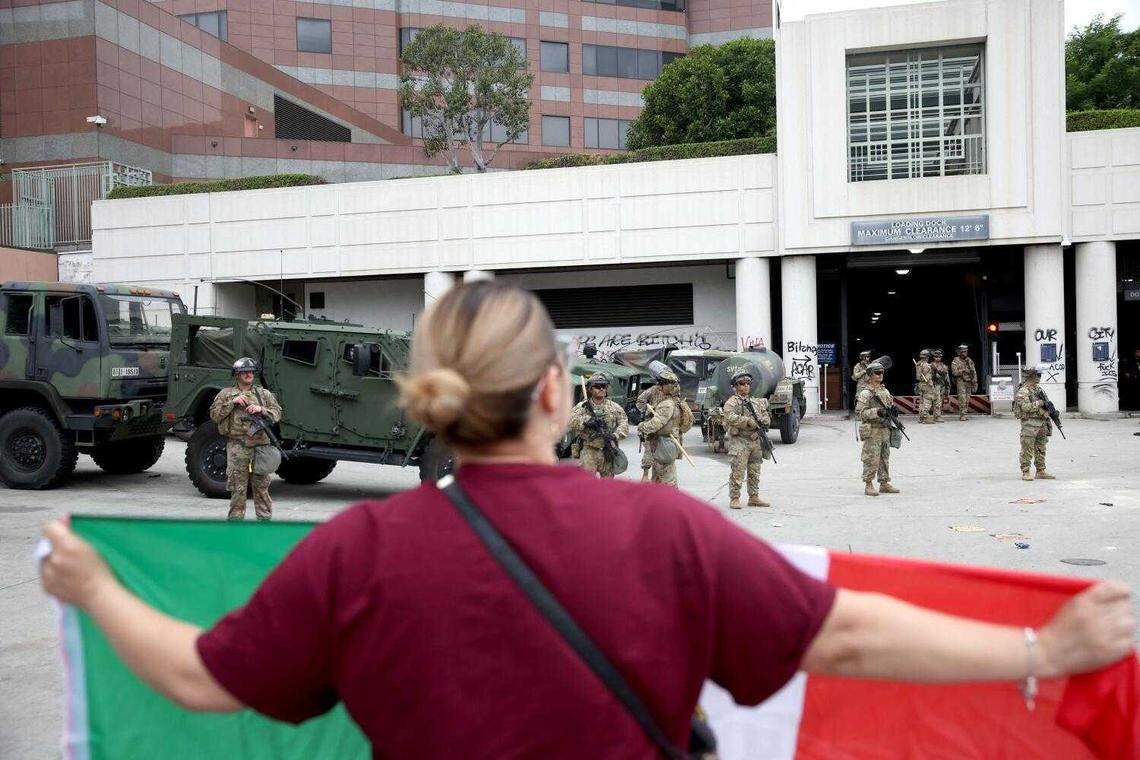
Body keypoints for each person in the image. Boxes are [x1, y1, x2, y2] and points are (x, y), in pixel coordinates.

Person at [40, 282, 1135, 759]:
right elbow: (844, 631)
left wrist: (93, 588)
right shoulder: (665, 534)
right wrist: (1043, 646)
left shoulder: (357, 552)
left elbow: (198, 677)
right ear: (558, 394)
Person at [208, 358, 283, 521]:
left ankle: (264, 524)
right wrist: (232, 403)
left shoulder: (263, 394)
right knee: (237, 488)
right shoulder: (226, 394)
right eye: (245, 372)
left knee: (261, 486)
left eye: (251, 371)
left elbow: (277, 413)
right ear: (237, 375)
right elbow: (214, 416)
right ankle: (236, 525)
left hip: (260, 447)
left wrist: (261, 409)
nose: (249, 374)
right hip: (237, 446)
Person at [722, 370, 771, 509]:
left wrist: (763, 420)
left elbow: (766, 417)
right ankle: (735, 498)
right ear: (735, 386)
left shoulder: (755, 402)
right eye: (742, 384)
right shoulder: (732, 402)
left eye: (748, 383)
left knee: (754, 471)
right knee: (738, 471)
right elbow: (729, 417)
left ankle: (754, 497)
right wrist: (747, 421)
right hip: (740, 441)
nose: (745, 386)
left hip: (755, 441)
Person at [637, 368, 693, 487]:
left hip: (663, 442)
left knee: (667, 476)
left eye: (663, 383)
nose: (660, 386)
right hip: (668, 441)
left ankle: (672, 503)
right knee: (658, 476)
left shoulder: (667, 404)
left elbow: (657, 422)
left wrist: (642, 427)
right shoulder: (675, 401)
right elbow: (641, 402)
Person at [567, 372, 629, 478]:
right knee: (587, 485)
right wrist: (586, 421)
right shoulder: (583, 406)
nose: (601, 389)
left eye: (604, 386)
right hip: (589, 451)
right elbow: (570, 420)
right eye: (597, 386)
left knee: (608, 485)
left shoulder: (614, 407)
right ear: (590, 389)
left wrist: (615, 435)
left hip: (608, 450)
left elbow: (624, 424)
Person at [854, 361, 901, 497]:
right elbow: (860, 413)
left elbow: (889, 407)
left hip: (885, 428)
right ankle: (868, 484)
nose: (880, 375)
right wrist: (876, 412)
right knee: (871, 458)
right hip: (873, 430)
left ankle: (884, 483)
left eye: (882, 372)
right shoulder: (865, 393)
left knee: (884, 457)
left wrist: (893, 411)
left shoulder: (885, 391)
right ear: (870, 375)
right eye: (877, 373)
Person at [1013, 364, 1056, 482]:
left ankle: (1041, 470)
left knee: (1041, 447)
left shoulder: (1038, 389)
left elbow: (1046, 403)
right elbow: (1025, 407)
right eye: (1038, 375)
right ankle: (1026, 471)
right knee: (1027, 448)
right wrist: (1039, 404)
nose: (1039, 377)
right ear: (1031, 376)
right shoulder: (1023, 390)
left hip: (1041, 422)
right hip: (1030, 424)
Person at [634, 383, 666, 482]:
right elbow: (640, 401)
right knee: (649, 450)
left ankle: (660, 476)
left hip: (665, 423)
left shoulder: (673, 391)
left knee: (664, 450)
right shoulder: (653, 389)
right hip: (651, 423)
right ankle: (645, 474)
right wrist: (648, 410)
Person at [951, 344, 978, 421]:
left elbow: (974, 372)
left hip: (969, 381)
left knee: (967, 398)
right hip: (961, 381)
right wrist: (963, 370)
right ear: (959, 352)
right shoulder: (955, 361)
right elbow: (954, 373)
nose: (965, 353)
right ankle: (962, 415)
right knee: (962, 398)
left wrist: (975, 381)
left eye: (966, 351)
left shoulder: (969, 360)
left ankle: (964, 413)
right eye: (963, 352)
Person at [915, 349, 935, 424]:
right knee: (928, 400)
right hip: (926, 384)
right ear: (927, 357)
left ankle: (921, 417)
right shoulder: (926, 365)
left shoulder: (918, 364)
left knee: (922, 402)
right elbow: (927, 377)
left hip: (921, 384)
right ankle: (926, 417)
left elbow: (918, 376)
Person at [930, 349, 950, 423]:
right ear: (934, 357)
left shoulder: (944, 366)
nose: (937, 358)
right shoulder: (930, 365)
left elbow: (947, 378)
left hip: (942, 386)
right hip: (934, 385)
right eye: (936, 356)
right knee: (936, 401)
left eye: (939, 357)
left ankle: (937, 415)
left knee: (940, 401)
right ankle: (937, 416)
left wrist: (948, 388)